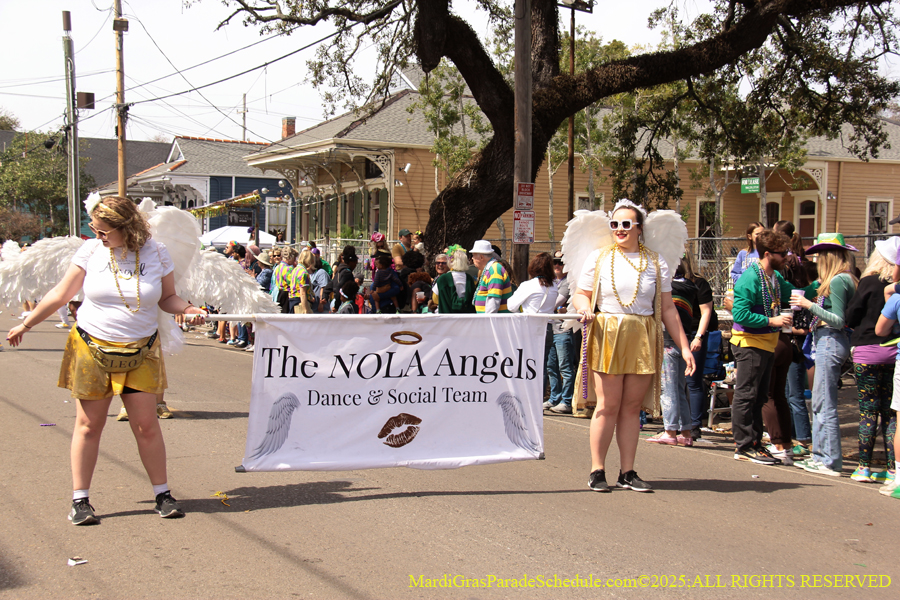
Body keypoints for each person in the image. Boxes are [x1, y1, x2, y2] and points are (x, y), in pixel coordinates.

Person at [5, 196, 205, 524]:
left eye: (104, 232)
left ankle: (163, 494)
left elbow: (168, 297)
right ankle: (80, 500)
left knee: (146, 425)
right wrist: (26, 323)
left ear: (126, 228)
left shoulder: (157, 252)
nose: (99, 237)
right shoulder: (91, 251)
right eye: (96, 231)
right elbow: (61, 293)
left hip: (142, 350)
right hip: (91, 346)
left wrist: (189, 310)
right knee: (88, 425)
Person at [571, 200, 695, 493]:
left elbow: (667, 309)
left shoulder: (655, 261)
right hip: (608, 332)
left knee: (630, 408)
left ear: (640, 228)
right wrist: (585, 307)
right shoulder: (599, 258)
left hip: (642, 334)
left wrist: (685, 347)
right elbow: (580, 293)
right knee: (608, 404)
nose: (619, 229)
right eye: (614, 224)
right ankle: (597, 470)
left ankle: (627, 471)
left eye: (626, 224)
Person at [791, 233, 858, 476]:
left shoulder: (840, 281)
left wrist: (809, 305)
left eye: (819, 255)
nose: (816, 259)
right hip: (825, 340)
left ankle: (829, 459)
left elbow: (839, 320)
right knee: (819, 402)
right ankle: (820, 456)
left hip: (831, 339)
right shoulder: (838, 280)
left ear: (829, 256)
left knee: (824, 403)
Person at [730, 229, 794, 466]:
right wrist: (771, 321)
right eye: (782, 253)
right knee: (746, 395)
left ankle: (755, 442)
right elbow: (740, 313)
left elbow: (795, 295)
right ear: (768, 254)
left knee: (758, 397)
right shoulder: (751, 278)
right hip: (750, 344)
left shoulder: (775, 276)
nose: (786, 256)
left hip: (767, 344)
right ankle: (744, 445)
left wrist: (821, 285)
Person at [846, 238, 898, 483]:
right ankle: (892, 469)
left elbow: (852, 314)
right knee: (890, 412)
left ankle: (863, 467)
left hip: (867, 350)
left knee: (868, 410)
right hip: (892, 350)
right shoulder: (896, 287)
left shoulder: (868, 282)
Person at [646, 258, 699, 446]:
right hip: (682, 341)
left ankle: (669, 430)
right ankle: (685, 431)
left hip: (667, 342)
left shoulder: (667, 289)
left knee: (667, 389)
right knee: (679, 388)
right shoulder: (691, 288)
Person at [774, 220, 814, 456]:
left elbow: (796, 303)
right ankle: (793, 436)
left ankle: (803, 438)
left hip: (795, 336)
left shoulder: (790, 269)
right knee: (788, 393)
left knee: (794, 393)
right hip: (793, 334)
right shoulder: (798, 264)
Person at [508, 253, 560, 409]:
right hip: (547, 327)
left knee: (524, 364)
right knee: (541, 366)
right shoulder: (554, 286)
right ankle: (537, 401)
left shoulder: (528, 285)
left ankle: (524, 400)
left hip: (529, 328)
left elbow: (511, 306)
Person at [678, 252, 717, 442]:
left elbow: (706, 311)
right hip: (678, 335)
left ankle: (694, 425)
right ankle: (679, 423)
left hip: (695, 334)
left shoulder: (699, 283)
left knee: (693, 381)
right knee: (678, 381)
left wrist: (699, 337)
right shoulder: (671, 282)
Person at [545, 252, 576, 414]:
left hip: (563, 330)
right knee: (551, 366)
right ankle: (554, 398)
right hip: (551, 328)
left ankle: (567, 400)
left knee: (565, 367)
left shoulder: (567, 283)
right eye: (555, 262)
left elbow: (555, 302)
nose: (557, 266)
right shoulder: (550, 282)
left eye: (561, 263)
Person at [471, 240, 513, 313]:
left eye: (473, 255)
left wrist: (488, 320)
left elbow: (494, 299)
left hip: (494, 322)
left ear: (481, 257)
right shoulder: (491, 269)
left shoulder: (494, 270)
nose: (472, 258)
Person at [431, 250, 475, 314]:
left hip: (446, 317)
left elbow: (435, 299)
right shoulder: (469, 279)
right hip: (465, 317)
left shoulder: (443, 278)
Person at [288, 249, 315, 314]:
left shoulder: (295, 270)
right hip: (300, 303)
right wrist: (305, 309)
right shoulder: (304, 273)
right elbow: (302, 293)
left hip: (292, 301)